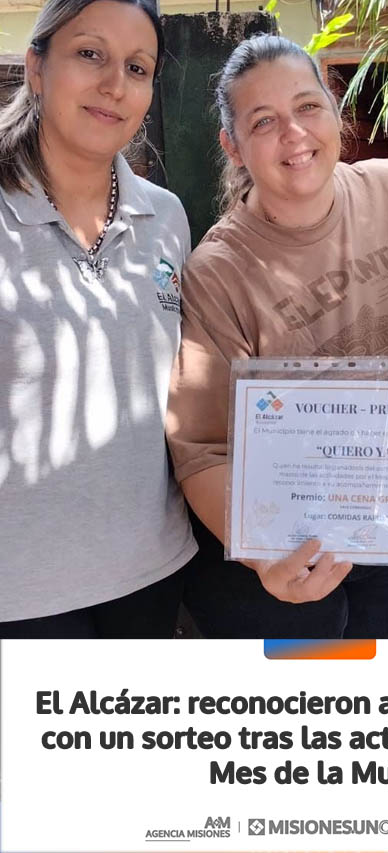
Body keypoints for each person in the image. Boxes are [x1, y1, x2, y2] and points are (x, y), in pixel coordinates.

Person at [167, 34, 388, 639]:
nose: (294, 133)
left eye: (308, 106)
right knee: (312, 695)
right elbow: (201, 449)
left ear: (334, 111)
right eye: (263, 121)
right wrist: (265, 556)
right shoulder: (218, 272)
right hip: (291, 559)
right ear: (233, 146)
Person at [0, 0, 197, 638]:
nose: (115, 84)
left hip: (151, 570)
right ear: (37, 67)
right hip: (18, 592)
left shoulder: (166, 216)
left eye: (137, 68)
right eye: (90, 54)